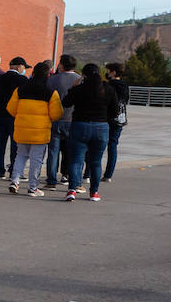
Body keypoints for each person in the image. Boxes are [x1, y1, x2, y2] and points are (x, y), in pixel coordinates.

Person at [5, 61, 63, 197]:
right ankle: (33, 187)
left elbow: (11, 109)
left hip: (22, 129)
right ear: (47, 75)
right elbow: (56, 114)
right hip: (40, 132)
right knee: (36, 160)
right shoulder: (50, 92)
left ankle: (15, 181)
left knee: (20, 156)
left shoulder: (20, 90)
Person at [61, 63, 115, 202]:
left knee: (76, 160)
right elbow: (114, 110)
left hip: (80, 125)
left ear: (84, 75)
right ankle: (94, 193)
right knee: (96, 162)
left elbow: (66, 103)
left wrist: (73, 87)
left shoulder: (80, 89)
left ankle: (72, 190)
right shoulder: (107, 89)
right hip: (101, 127)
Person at [0, 57, 29, 180]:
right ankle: (13, 170)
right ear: (19, 66)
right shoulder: (23, 80)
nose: (24, 70)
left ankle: (0, 170)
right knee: (15, 145)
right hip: (15, 117)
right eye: (24, 67)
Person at [44, 54, 81, 188]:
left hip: (55, 120)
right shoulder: (79, 80)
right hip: (73, 120)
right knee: (71, 151)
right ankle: (68, 176)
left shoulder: (52, 80)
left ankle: (51, 180)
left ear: (62, 65)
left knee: (53, 152)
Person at [104, 63, 130, 181]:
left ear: (114, 73)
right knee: (113, 146)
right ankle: (108, 174)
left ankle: (89, 173)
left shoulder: (110, 86)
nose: (107, 74)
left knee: (98, 146)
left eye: (108, 71)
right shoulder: (125, 85)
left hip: (108, 118)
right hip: (120, 118)